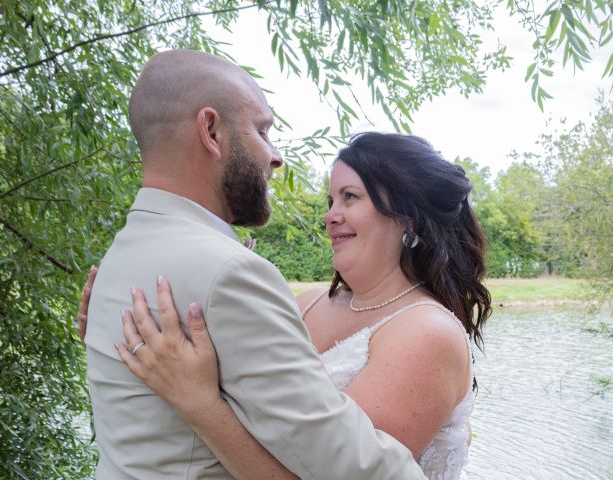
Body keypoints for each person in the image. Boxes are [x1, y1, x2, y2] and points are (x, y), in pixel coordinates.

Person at [82, 49, 427, 479]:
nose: (276, 155)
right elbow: (349, 465)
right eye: (262, 130)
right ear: (210, 130)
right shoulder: (229, 273)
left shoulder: (121, 257)